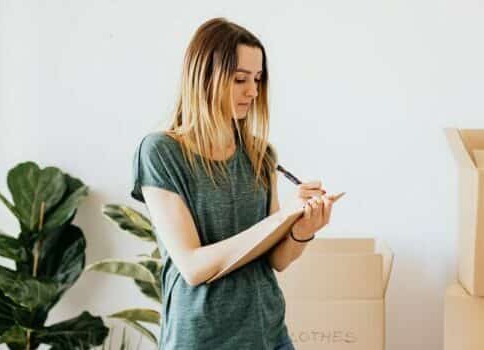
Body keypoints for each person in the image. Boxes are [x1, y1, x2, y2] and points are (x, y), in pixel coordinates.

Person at [130, 17, 338, 350]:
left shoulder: (260, 154)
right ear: (204, 76)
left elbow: (276, 261)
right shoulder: (161, 152)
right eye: (240, 79)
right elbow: (193, 267)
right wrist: (282, 218)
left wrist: (302, 229)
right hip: (201, 340)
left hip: (269, 335)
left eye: (257, 79)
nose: (253, 91)